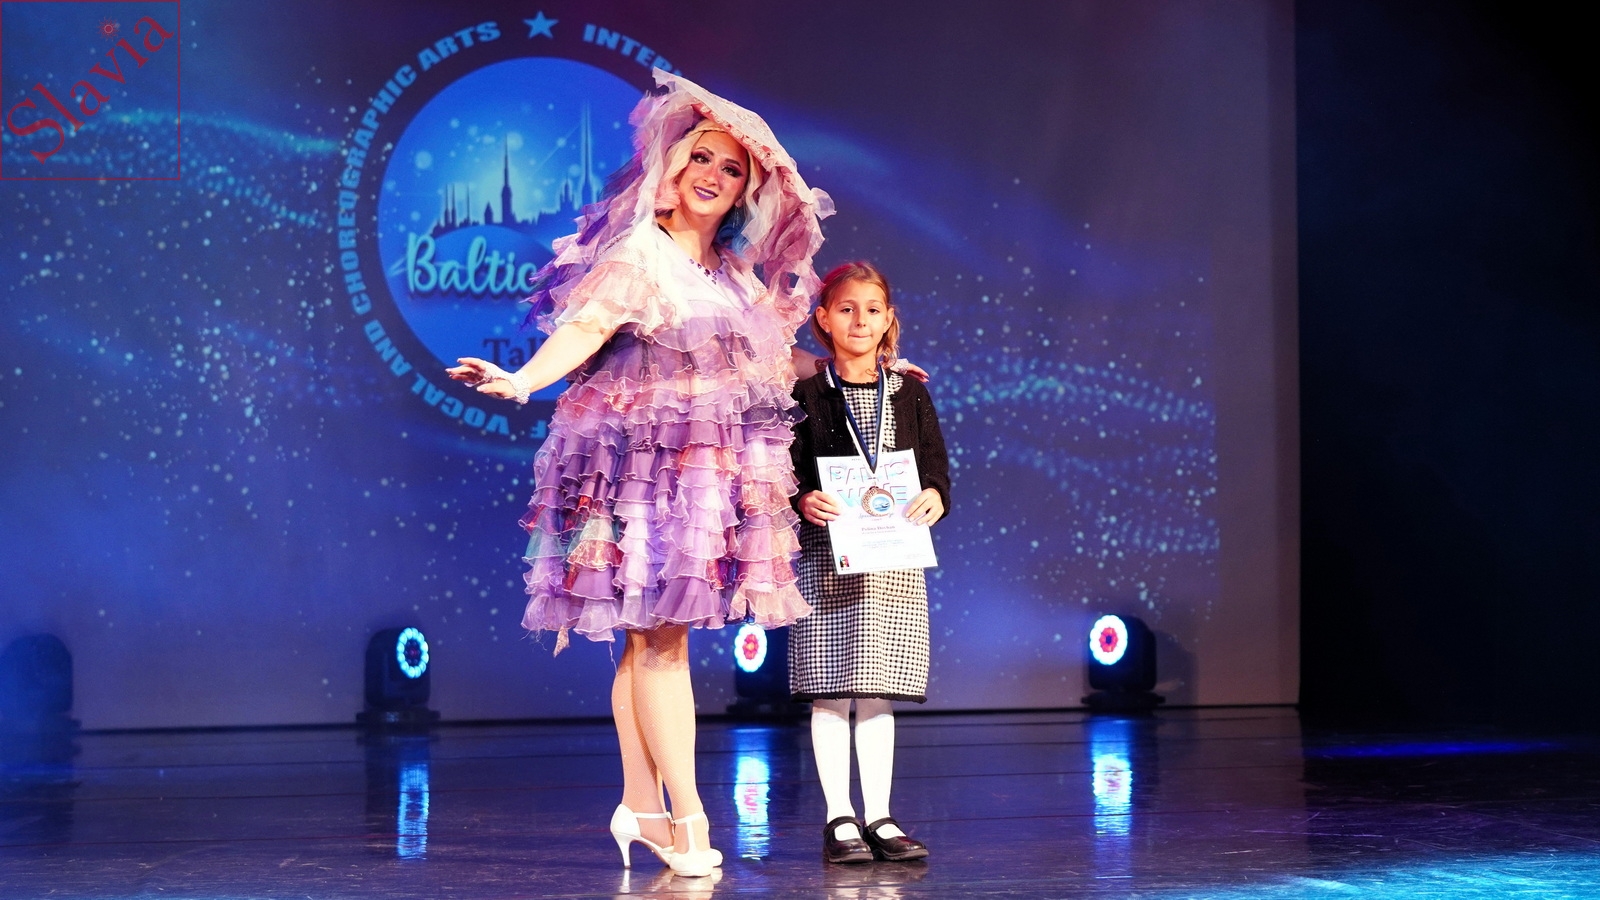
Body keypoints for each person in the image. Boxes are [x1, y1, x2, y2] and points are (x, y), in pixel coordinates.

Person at [446, 71, 832, 878]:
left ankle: (640, 806)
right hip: (638, 477)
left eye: (731, 168)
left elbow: (773, 361)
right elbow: (584, 329)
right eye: (701, 157)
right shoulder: (640, 253)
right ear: (673, 163)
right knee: (660, 644)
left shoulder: (731, 275)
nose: (712, 174)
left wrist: (864, 366)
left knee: (648, 642)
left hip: (698, 480)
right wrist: (522, 380)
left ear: (744, 191)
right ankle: (688, 819)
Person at [787, 262, 951, 863]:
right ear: (823, 319)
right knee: (830, 688)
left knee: (879, 689)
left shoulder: (909, 391)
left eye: (873, 309)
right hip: (827, 556)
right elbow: (785, 468)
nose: (861, 320)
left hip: (892, 559)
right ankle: (839, 819)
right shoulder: (806, 394)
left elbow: (934, 462)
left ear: (889, 320)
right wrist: (801, 499)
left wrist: (935, 493)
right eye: (847, 308)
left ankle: (879, 816)